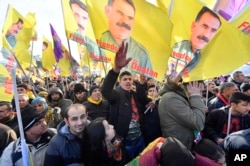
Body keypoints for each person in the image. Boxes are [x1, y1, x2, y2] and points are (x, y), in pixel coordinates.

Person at [101, 42, 145, 159]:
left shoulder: (134, 95)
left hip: (140, 140)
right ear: (119, 82)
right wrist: (116, 69)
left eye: (130, 79)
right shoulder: (116, 94)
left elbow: (144, 103)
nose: (128, 81)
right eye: (125, 79)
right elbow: (105, 90)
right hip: (125, 144)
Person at [166, 6, 221, 80]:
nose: (206, 34)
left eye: (213, 30)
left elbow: (181, 75)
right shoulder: (177, 45)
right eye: (204, 26)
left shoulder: (197, 58)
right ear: (193, 26)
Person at [99, 0, 153, 74]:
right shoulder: (97, 42)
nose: (125, 21)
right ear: (108, 11)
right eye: (120, 13)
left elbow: (148, 81)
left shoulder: (141, 54)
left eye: (130, 18)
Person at [158, 78, 206, 150]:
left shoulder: (180, 96)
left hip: (185, 143)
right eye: (199, 90)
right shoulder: (171, 98)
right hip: (179, 147)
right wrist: (195, 96)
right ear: (191, 86)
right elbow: (198, 123)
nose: (201, 94)